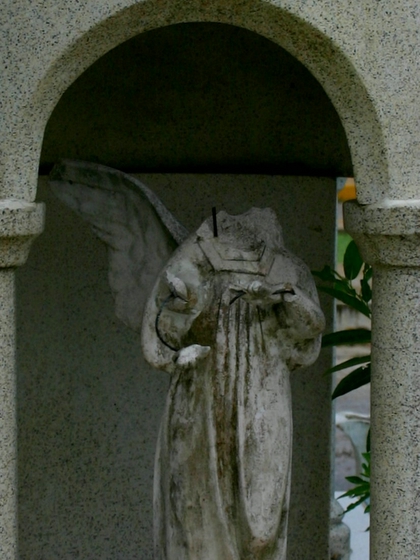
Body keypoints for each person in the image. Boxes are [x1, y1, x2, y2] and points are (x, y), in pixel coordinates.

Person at [141, 208, 325, 560]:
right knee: (196, 509)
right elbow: (162, 328)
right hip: (203, 393)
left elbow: (309, 333)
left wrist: (283, 296)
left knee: (262, 520)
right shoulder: (195, 257)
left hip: (264, 395)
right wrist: (181, 332)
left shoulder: (287, 268)